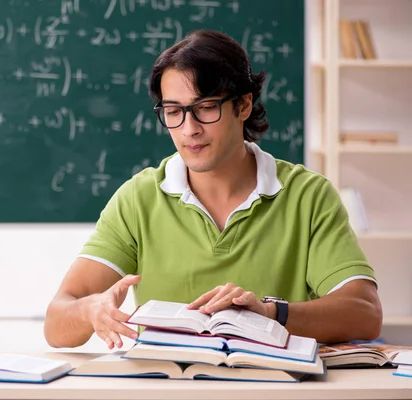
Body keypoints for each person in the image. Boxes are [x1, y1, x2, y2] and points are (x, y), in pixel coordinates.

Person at [44, 29, 382, 350]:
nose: (189, 129)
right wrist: (92, 311)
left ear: (244, 106)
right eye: (173, 112)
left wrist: (270, 314)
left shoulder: (308, 196)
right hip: (168, 388)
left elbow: (365, 313)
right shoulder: (139, 198)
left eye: (205, 108)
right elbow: (57, 323)